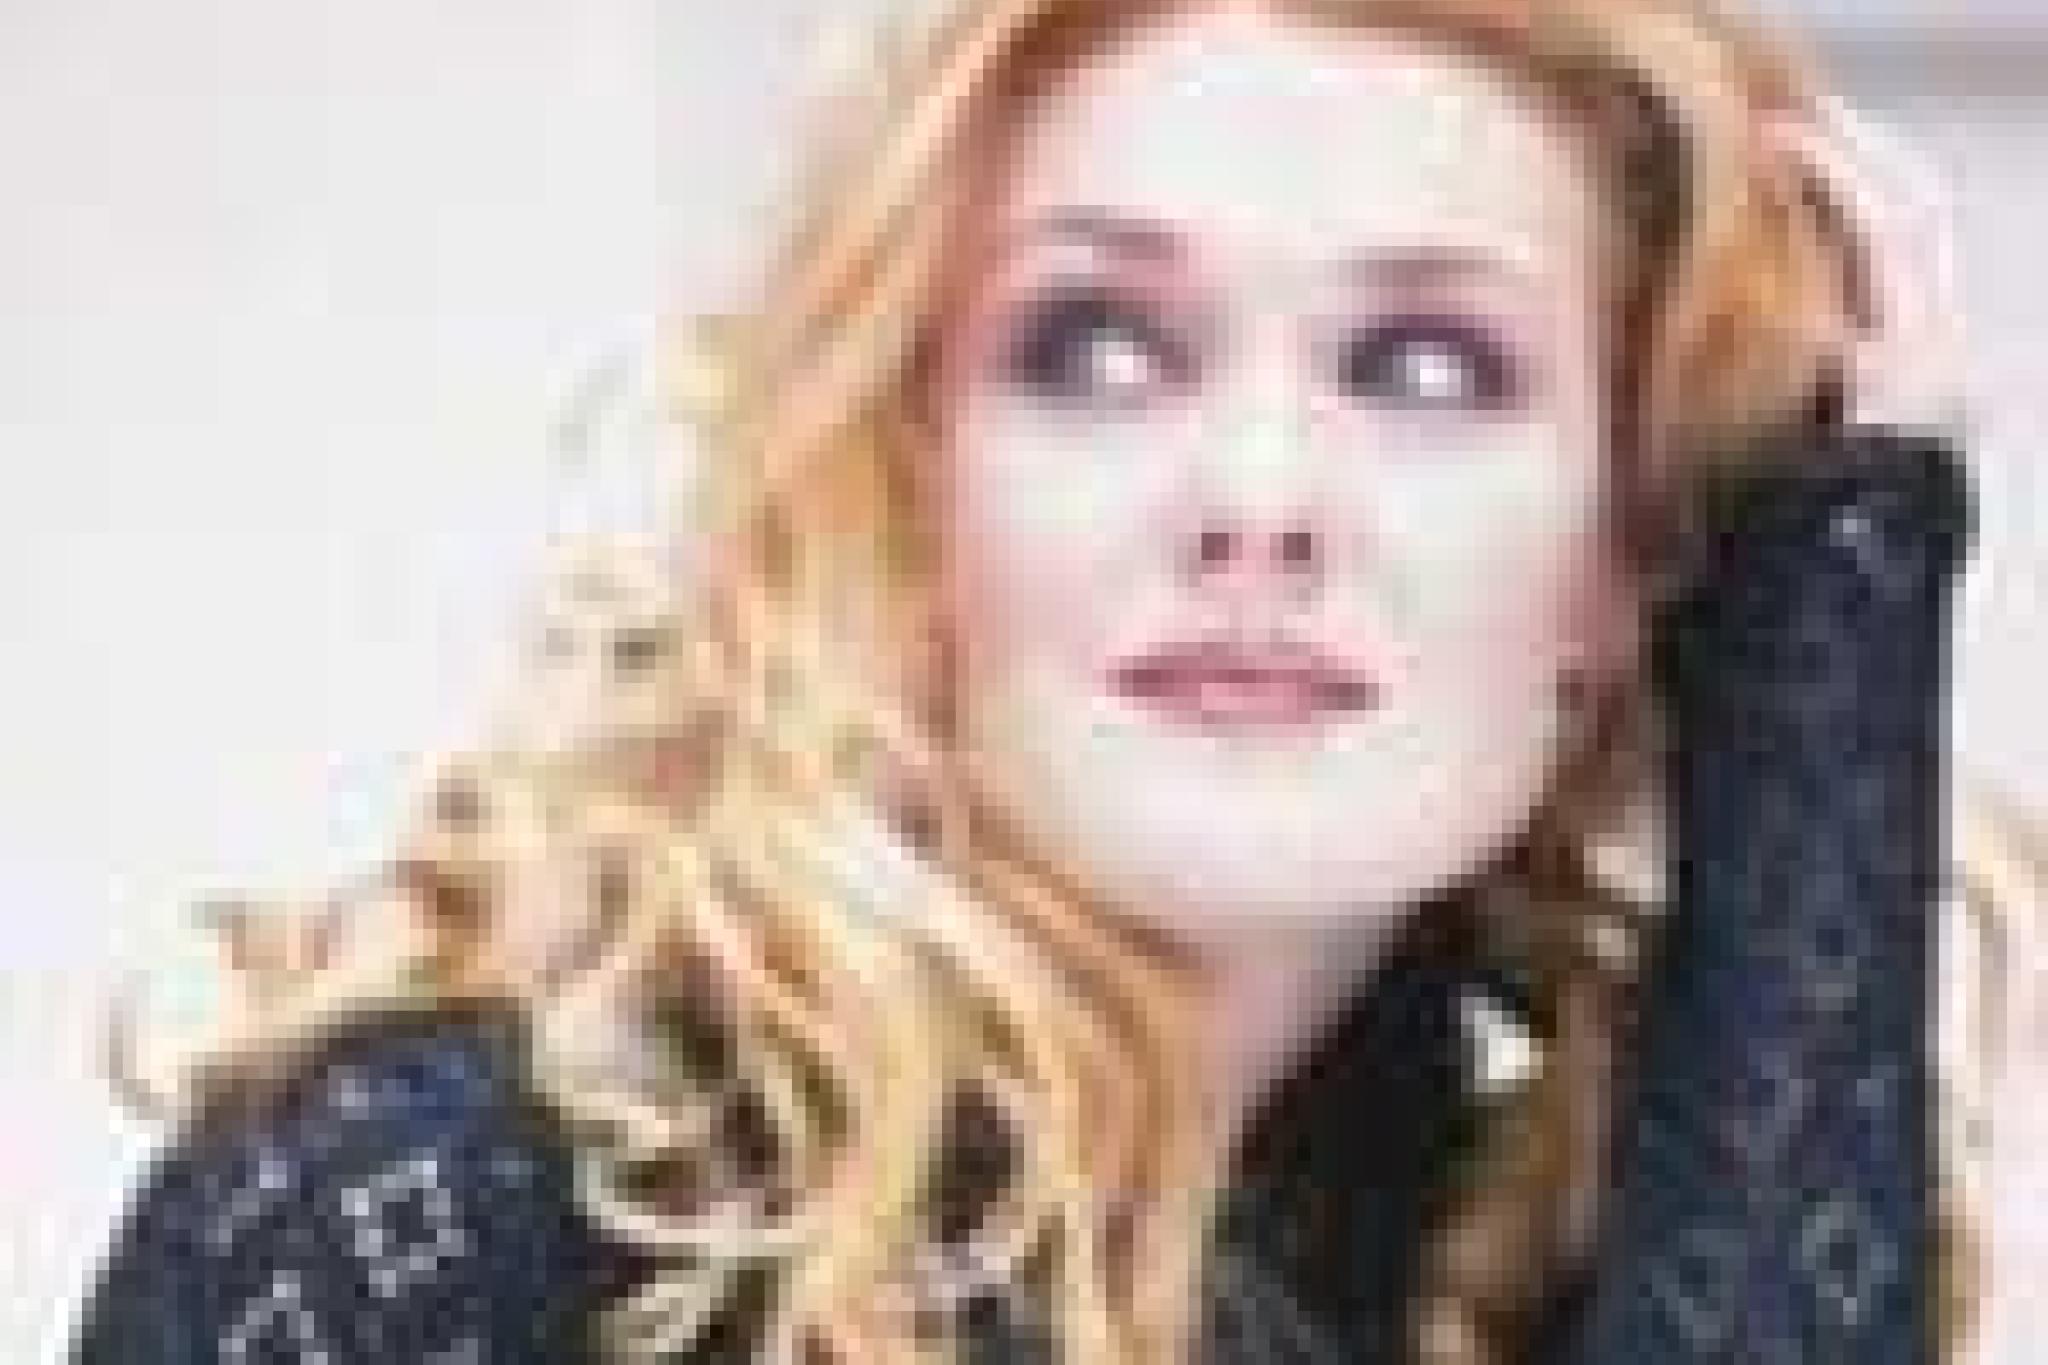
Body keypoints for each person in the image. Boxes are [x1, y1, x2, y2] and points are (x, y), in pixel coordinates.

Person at [62, 1, 2043, 1362]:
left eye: (1426, 366)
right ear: (909, 480)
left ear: (1626, 561)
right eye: (1095, 347)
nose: (1258, 499)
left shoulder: (1533, 1262)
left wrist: (1822, 638)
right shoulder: (449, 1207)